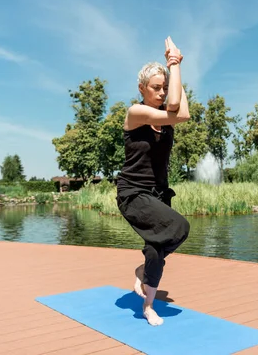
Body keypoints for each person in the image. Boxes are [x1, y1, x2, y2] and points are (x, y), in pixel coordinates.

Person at [115, 37, 191, 326]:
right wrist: (172, 62)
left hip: (157, 193)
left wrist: (177, 68)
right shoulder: (136, 114)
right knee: (179, 226)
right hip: (133, 193)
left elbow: (180, 107)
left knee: (155, 249)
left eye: (164, 86)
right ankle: (146, 291)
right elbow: (179, 110)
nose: (161, 93)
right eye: (155, 87)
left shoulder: (166, 117)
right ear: (141, 89)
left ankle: (147, 304)